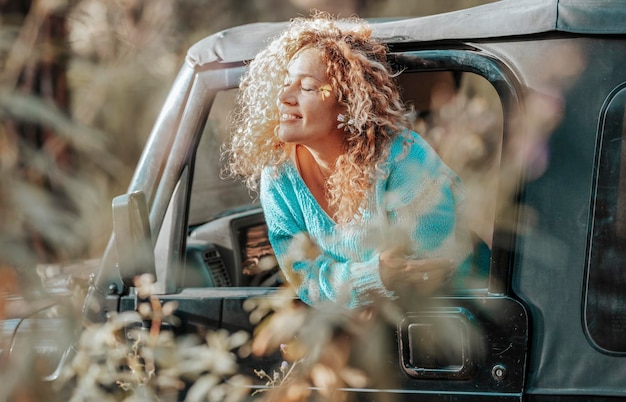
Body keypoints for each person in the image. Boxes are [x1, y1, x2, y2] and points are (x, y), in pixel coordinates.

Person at [224, 13, 473, 309]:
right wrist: (374, 276)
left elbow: (427, 272)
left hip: (464, 320)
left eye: (306, 87)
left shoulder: (405, 158)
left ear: (348, 103)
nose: (284, 98)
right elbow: (305, 280)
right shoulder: (278, 174)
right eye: (286, 83)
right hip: (362, 334)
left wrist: (355, 289)